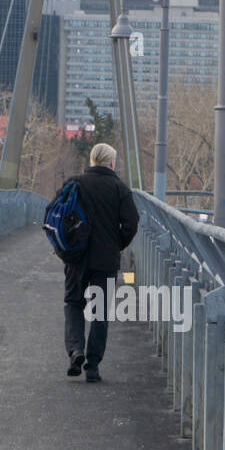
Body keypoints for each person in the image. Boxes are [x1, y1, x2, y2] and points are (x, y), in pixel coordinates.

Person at [63, 143, 139, 383]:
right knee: (100, 312)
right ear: (112, 163)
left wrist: (67, 246)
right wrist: (118, 245)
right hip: (105, 261)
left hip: (77, 258)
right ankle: (93, 365)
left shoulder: (74, 184)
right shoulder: (119, 189)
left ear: (92, 160)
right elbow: (132, 223)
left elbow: (57, 216)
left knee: (74, 302)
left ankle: (76, 350)